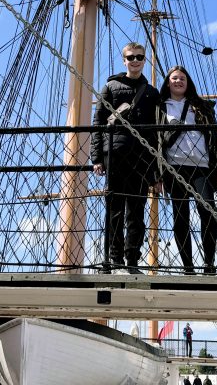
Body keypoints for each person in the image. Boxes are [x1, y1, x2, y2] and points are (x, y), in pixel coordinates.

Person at [92, 42, 161, 274]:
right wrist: (96, 157)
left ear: (144, 60)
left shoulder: (152, 92)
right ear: (124, 60)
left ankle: (132, 260)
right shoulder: (111, 87)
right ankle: (114, 259)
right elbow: (98, 122)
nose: (135, 61)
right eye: (131, 57)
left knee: (137, 211)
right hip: (115, 153)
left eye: (139, 57)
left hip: (141, 157)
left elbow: (156, 132)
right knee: (115, 209)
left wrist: (155, 167)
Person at [157, 65, 217, 274]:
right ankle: (188, 266)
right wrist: (157, 173)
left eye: (182, 79)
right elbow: (155, 140)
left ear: (188, 83)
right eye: (174, 78)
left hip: (202, 166)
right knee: (181, 217)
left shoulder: (201, 106)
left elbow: (215, 137)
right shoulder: (160, 107)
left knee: (208, 212)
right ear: (168, 82)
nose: (178, 81)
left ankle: (209, 264)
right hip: (174, 167)